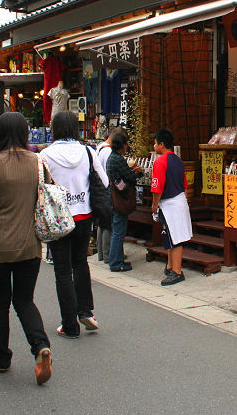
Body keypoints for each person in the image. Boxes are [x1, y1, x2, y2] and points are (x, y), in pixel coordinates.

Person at [0, 112, 52, 383]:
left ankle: (2, 359)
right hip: (30, 244)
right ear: (24, 133)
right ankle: (40, 346)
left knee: (0, 303)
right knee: (24, 300)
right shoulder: (37, 162)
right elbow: (46, 195)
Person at [40, 111, 108, 338]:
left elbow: (39, 186)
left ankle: (69, 325)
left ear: (55, 129)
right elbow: (104, 181)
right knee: (80, 263)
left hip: (58, 219)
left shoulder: (46, 155)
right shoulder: (88, 152)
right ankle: (86, 311)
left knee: (62, 271)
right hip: (83, 216)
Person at [151, 129, 192, 286]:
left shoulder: (160, 162)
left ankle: (177, 271)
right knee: (171, 237)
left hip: (169, 204)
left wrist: (154, 206)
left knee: (175, 239)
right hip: (179, 201)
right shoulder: (178, 160)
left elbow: (157, 188)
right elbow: (185, 185)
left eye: (155, 143)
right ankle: (170, 266)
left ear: (161, 144)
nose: (154, 146)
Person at [105, 130, 142, 272]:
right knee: (119, 232)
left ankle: (117, 259)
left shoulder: (111, 158)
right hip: (119, 200)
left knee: (117, 230)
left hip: (113, 198)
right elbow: (130, 178)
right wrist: (137, 172)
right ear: (122, 145)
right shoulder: (118, 159)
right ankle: (116, 263)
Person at [94, 127, 122, 264]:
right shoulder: (109, 151)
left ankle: (101, 254)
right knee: (108, 224)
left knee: (102, 222)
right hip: (107, 189)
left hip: (99, 188)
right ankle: (108, 255)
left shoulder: (100, 147)